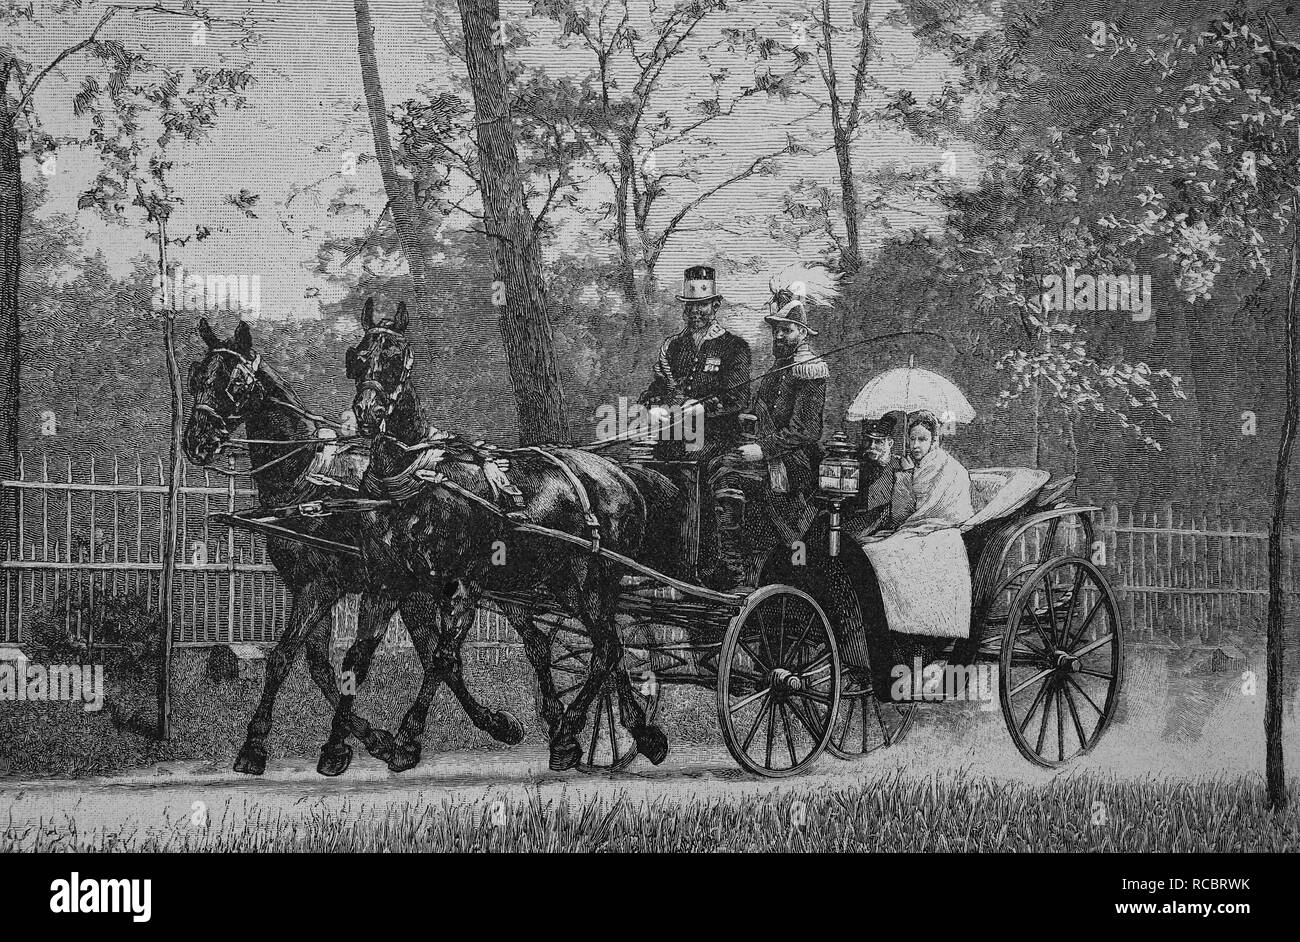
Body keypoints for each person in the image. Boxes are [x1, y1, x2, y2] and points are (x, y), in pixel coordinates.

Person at [708, 286, 828, 589]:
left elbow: (806, 431)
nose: (778, 337)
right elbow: (759, 409)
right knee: (712, 463)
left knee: (728, 474)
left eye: (785, 330)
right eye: (775, 330)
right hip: (769, 453)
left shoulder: (809, 369)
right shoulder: (779, 367)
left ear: (801, 333)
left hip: (796, 462)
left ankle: (734, 563)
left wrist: (761, 450)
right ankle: (722, 554)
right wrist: (733, 412)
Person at [639, 265, 752, 461]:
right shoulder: (673, 345)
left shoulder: (734, 346)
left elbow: (738, 399)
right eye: (690, 305)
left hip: (715, 440)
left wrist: (703, 408)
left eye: (702, 305)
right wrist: (653, 404)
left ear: (715, 306)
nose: (695, 312)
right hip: (672, 440)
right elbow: (660, 385)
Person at [892, 409, 973, 533]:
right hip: (918, 530)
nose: (915, 445)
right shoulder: (915, 465)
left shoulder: (947, 467)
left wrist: (906, 475)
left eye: (922, 439)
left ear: (933, 440)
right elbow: (899, 516)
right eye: (912, 438)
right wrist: (907, 474)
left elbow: (919, 515)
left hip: (943, 531)